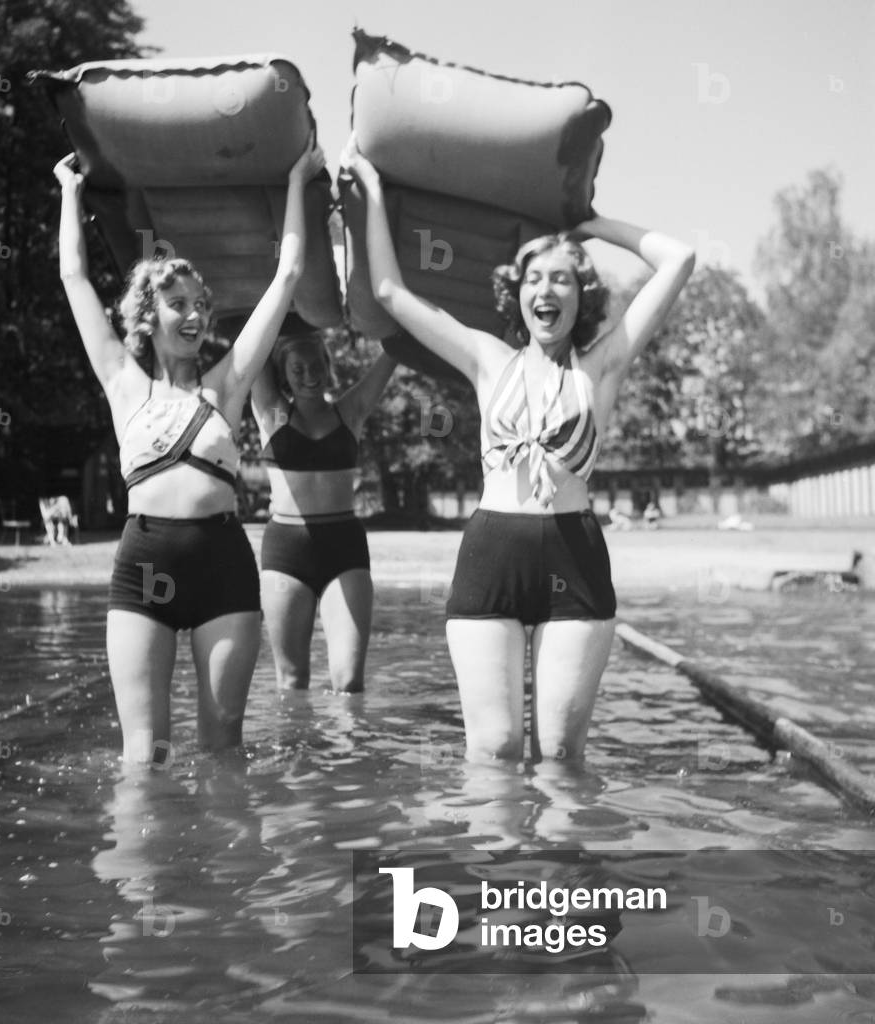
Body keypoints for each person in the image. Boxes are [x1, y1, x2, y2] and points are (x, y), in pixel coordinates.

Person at [342, 137, 694, 764]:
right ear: (518, 293)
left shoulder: (605, 363)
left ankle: (558, 863)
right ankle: (503, 866)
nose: (546, 289)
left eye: (562, 278)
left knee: (560, 753)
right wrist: (369, 190)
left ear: (581, 296)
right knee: (495, 748)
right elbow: (392, 293)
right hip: (491, 557)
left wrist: (590, 224)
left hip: (577, 558)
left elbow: (680, 258)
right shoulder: (486, 357)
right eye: (535, 278)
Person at [53, 137, 325, 762]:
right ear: (148, 316)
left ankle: (220, 856)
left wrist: (293, 181)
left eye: (201, 305)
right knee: (144, 753)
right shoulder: (123, 382)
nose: (196, 315)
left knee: (222, 747)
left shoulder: (226, 384)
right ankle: (147, 863)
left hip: (224, 568)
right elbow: (73, 276)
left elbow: (286, 276)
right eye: (179, 304)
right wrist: (69, 193)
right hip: (143, 568)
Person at [251, 334, 397, 691]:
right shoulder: (271, 411)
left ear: (329, 368)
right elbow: (251, 345)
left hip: (344, 549)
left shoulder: (350, 410)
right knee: (292, 679)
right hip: (287, 551)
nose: (309, 375)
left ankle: (347, 748)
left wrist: (402, 313)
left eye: (317, 365)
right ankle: (297, 748)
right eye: (297, 369)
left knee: (348, 682)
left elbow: (391, 353)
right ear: (283, 374)